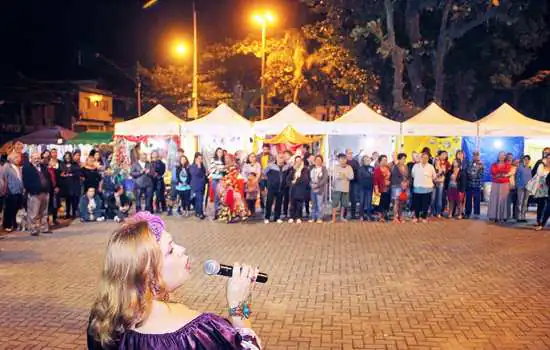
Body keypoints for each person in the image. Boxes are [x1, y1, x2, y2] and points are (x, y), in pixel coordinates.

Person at [87, 212, 261, 350]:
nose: (182, 249)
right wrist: (240, 308)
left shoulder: (102, 320)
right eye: (170, 250)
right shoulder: (201, 333)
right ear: (149, 273)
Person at [22, 152, 52, 236]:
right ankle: (33, 229)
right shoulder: (27, 168)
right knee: (33, 213)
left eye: (38, 158)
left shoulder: (43, 167)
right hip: (35, 193)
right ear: (31, 159)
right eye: (35, 158)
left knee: (44, 212)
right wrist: (32, 190)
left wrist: (48, 188)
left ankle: (44, 228)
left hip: (45, 192)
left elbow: (48, 178)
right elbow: (26, 182)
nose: (37, 160)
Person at [411, 152, 436, 223]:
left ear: (428, 159)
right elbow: (413, 175)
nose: (424, 159)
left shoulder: (431, 167)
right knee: (417, 204)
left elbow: (434, 177)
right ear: (420, 158)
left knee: (426, 204)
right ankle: (416, 217)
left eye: (426, 158)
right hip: (417, 189)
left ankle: (424, 217)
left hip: (427, 189)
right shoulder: (415, 166)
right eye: (423, 157)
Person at [488, 151, 512, 223]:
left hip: (505, 184)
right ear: (498, 156)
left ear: (505, 157)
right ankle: (493, 216)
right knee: (494, 199)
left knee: (503, 200)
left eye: (503, 155)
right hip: (495, 184)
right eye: (500, 155)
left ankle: (502, 216)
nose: (502, 156)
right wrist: (501, 174)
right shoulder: (494, 164)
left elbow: (506, 172)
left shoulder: (507, 164)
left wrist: (499, 174)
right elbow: (493, 172)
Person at [2, 152, 24, 232]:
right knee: (9, 209)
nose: (19, 159)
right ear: (11, 158)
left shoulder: (18, 167)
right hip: (10, 191)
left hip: (19, 191)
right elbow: (3, 179)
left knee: (17, 209)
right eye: (16, 157)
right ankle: (7, 225)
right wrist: (6, 190)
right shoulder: (6, 166)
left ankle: (15, 224)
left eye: (19, 157)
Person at [263, 154, 287, 224]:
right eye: (279, 157)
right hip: (271, 187)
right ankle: (267, 217)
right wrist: (266, 184)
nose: (281, 159)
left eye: (282, 157)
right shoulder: (270, 165)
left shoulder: (286, 166)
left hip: (281, 187)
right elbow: (263, 174)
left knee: (279, 203)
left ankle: (277, 217)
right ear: (276, 158)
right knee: (269, 202)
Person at [331, 153, 354, 223]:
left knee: (344, 204)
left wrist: (343, 175)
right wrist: (345, 175)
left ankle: (342, 217)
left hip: (345, 188)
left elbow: (351, 177)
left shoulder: (349, 167)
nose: (343, 160)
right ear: (338, 160)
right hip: (337, 188)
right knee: (335, 203)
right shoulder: (336, 167)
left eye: (344, 159)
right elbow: (337, 176)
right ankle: (333, 218)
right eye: (341, 159)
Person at [286, 156, 309, 224]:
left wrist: (297, 180)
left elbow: (306, 179)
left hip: (301, 189)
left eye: (299, 161)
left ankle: (299, 217)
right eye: (296, 161)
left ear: (301, 161)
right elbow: (288, 179)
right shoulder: (292, 169)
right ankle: (292, 217)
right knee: (292, 204)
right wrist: (291, 183)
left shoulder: (305, 169)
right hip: (293, 189)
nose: (298, 163)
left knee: (299, 204)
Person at [60, 152, 81, 219]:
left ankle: (74, 213)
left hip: (74, 184)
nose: (67, 158)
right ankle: (68, 213)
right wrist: (66, 174)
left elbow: (78, 173)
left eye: (68, 157)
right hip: (66, 185)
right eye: (66, 157)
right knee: (67, 200)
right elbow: (61, 173)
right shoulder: (62, 164)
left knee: (74, 199)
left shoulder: (75, 164)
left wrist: (71, 174)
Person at [464, 151, 484, 219]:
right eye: (474, 155)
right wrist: (474, 172)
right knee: (468, 199)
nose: (475, 157)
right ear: (472, 156)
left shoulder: (481, 164)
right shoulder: (469, 163)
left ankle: (476, 213)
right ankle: (467, 213)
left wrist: (475, 172)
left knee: (477, 199)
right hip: (469, 184)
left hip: (477, 185)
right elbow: (468, 172)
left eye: (477, 155)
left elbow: (480, 175)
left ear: (479, 156)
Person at [390, 153, 409, 223]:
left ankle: (400, 216)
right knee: (396, 202)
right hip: (396, 186)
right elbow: (394, 177)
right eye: (403, 159)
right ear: (399, 159)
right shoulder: (395, 166)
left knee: (402, 203)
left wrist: (407, 182)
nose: (404, 160)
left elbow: (408, 176)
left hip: (404, 187)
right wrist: (401, 182)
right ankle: (395, 217)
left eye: (405, 159)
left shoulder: (406, 167)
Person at [309, 155, 328, 223]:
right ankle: (313, 217)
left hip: (320, 189)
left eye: (319, 160)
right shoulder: (312, 169)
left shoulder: (324, 169)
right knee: (313, 204)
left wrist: (317, 185)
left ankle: (319, 218)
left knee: (319, 204)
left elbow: (325, 179)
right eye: (316, 160)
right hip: (312, 189)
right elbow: (309, 178)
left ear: (322, 161)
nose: (318, 161)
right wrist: (311, 185)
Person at [373, 155, 391, 222]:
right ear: (379, 161)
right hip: (378, 189)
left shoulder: (388, 169)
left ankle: (384, 216)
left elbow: (390, 178)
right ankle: (380, 217)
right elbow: (375, 180)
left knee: (386, 203)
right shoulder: (377, 170)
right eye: (383, 160)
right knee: (378, 204)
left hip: (387, 189)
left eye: (386, 160)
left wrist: (389, 182)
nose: (385, 161)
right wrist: (376, 190)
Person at [209, 148, 226, 218]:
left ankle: (221, 211)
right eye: (218, 152)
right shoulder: (213, 159)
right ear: (216, 152)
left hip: (222, 179)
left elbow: (224, 170)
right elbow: (214, 169)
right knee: (217, 194)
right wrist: (223, 168)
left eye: (221, 152)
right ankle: (216, 211)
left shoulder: (223, 160)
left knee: (221, 195)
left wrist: (222, 168)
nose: (220, 153)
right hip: (215, 179)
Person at [189, 152, 207, 220]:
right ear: (195, 158)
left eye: (201, 159)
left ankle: (197, 212)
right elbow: (196, 173)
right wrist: (199, 166)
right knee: (199, 199)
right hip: (196, 185)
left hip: (202, 185)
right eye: (199, 158)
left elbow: (204, 173)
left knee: (199, 199)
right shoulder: (192, 166)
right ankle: (200, 213)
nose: (200, 160)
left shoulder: (202, 166)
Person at [357, 155, 375, 221]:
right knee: (361, 202)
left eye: (368, 160)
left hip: (370, 187)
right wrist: (368, 176)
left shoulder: (372, 168)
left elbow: (373, 176)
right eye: (366, 160)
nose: (367, 161)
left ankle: (368, 216)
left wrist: (367, 176)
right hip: (362, 188)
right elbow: (359, 178)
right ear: (363, 161)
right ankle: (361, 216)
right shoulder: (360, 168)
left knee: (369, 202)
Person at [515, 155, 532, 223]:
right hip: (521, 187)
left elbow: (530, 178)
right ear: (523, 160)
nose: (526, 160)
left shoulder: (529, 168)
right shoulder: (519, 167)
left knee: (525, 202)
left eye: (528, 159)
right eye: (525, 159)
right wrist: (518, 185)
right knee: (520, 201)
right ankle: (518, 217)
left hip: (527, 187)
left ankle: (523, 216)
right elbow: (517, 177)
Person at [345, 149, 360, 220]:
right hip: (345, 183)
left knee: (353, 199)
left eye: (351, 153)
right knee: (345, 199)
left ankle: (353, 214)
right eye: (349, 153)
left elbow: (358, 172)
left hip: (354, 183)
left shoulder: (355, 162)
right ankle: (344, 214)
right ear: (346, 154)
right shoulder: (344, 162)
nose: (350, 154)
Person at [281, 150, 293, 218]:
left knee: (291, 198)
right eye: (284, 155)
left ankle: (291, 212)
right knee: (285, 199)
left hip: (290, 183)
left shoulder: (292, 163)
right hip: (284, 184)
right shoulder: (283, 163)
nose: (285, 156)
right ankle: (285, 212)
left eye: (286, 155)